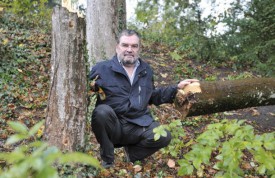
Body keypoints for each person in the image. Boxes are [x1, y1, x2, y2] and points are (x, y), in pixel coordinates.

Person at [89, 29, 199, 168]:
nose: (129, 49)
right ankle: (108, 160)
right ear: (117, 47)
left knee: (164, 135)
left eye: (134, 46)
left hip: (138, 125)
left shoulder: (146, 70)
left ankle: (131, 155)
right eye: (125, 45)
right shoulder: (101, 68)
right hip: (113, 124)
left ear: (139, 48)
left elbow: (151, 96)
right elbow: (85, 91)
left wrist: (176, 88)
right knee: (101, 112)